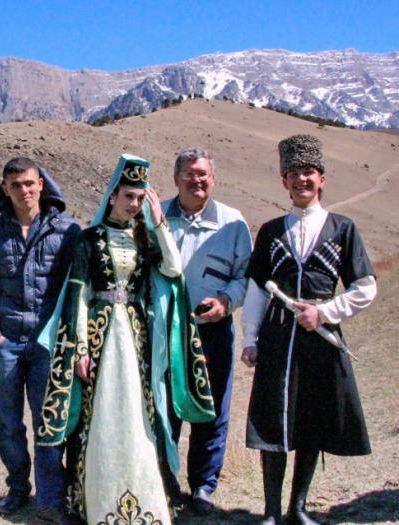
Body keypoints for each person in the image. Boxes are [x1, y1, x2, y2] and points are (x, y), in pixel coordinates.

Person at [37, 154, 215, 525]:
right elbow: (79, 295)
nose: (133, 204)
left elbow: (173, 269)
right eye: (128, 196)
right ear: (113, 195)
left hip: (136, 336)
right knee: (97, 411)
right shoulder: (88, 239)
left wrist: (159, 221)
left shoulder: (144, 237)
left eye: (139, 198)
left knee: (139, 409)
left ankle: (144, 488)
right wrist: (79, 349)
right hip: (100, 335)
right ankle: (94, 495)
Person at [240, 135, 377, 525]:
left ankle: (297, 508)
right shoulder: (271, 231)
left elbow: (365, 287)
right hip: (278, 336)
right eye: (294, 173)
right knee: (274, 418)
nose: (302, 179)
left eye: (309, 173)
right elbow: (256, 289)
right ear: (284, 181)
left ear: (322, 179)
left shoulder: (343, 228)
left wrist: (325, 312)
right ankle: (270, 512)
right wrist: (250, 338)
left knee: (311, 418)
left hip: (320, 338)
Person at [0, 157, 80, 521]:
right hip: (6, 341)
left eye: (29, 183)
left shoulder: (67, 231)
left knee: (47, 422)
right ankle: (18, 488)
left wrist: (66, 337)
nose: (24, 191)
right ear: (5, 188)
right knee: (8, 424)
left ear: (41, 185)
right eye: (16, 185)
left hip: (46, 344)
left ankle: (50, 499)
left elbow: (75, 289)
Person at [162, 147, 252, 513]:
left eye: (202, 174)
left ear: (213, 179)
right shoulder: (155, 217)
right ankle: (164, 481)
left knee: (211, 409)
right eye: (188, 174)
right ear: (176, 178)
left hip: (211, 330)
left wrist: (226, 301)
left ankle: (203, 485)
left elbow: (245, 276)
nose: (196, 180)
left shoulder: (233, 223)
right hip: (164, 332)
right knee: (163, 408)